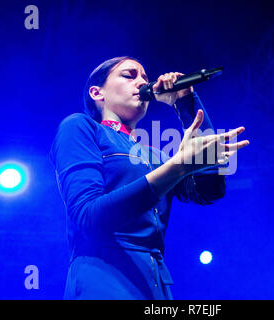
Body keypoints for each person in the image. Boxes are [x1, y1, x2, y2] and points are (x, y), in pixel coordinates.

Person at [49, 56, 250, 299]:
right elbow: (88, 215)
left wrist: (184, 100)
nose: (142, 82)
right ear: (97, 92)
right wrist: (178, 166)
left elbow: (210, 190)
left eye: (144, 77)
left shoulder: (154, 156)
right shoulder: (80, 127)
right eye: (129, 75)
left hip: (154, 284)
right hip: (103, 279)